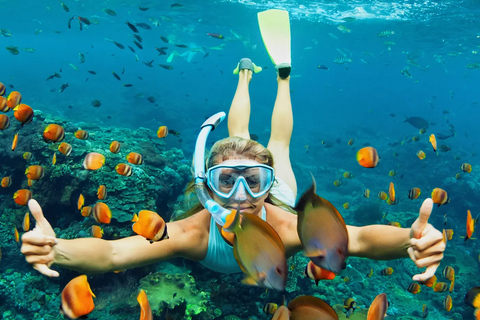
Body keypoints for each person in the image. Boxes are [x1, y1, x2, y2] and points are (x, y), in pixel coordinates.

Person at [21, 59, 445, 282]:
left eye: (253, 180)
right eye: (227, 180)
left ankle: (281, 80)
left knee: (277, 145)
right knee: (238, 132)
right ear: (209, 187)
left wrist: (411, 238)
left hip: (283, 196)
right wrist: (57, 249)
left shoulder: (289, 224)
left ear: (268, 184)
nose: (241, 193)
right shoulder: (190, 233)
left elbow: (361, 239)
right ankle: (244, 77)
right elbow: (115, 253)